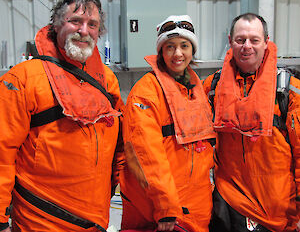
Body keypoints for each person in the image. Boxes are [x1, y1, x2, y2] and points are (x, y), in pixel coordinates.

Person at [0, 0, 124, 232]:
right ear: (57, 25)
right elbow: (2, 151)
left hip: (97, 219)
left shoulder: (107, 81)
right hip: (41, 220)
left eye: (92, 24)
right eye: (75, 21)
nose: (84, 30)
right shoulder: (22, 79)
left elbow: (122, 146)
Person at [203, 13, 300, 232]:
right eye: (240, 40)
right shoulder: (213, 87)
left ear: (267, 42)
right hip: (228, 202)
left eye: (254, 40)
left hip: (276, 209)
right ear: (230, 42)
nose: (247, 46)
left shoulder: (288, 90)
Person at [119, 15, 216, 232]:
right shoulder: (146, 92)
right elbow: (146, 155)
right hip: (162, 214)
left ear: (193, 50)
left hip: (196, 210)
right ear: (161, 52)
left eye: (184, 46)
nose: (178, 53)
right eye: (170, 47)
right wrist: (165, 208)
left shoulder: (195, 88)